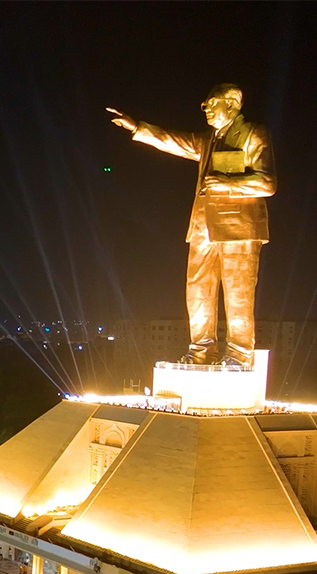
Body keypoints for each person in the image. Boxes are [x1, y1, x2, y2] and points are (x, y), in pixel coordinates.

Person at [108, 85, 275, 367]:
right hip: (201, 228)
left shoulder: (252, 134)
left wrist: (227, 183)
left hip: (239, 229)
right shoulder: (208, 139)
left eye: (211, 103)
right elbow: (175, 141)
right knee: (197, 292)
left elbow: (267, 183)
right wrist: (138, 127)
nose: (206, 109)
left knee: (238, 295)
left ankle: (239, 354)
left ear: (232, 104)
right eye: (204, 105)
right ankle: (201, 350)